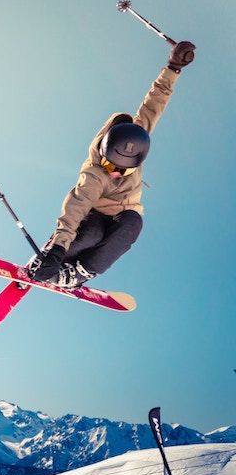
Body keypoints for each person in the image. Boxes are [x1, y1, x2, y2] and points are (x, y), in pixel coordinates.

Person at [29, 40, 196, 289]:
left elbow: (154, 103)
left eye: (123, 170)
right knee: (91, 235)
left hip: (123, 215)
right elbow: (77, 205)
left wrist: (173, 67)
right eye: (111, 165)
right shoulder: (95, 172)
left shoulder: (138, 136)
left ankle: (78, 273)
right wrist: (57, 249)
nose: (116, 172)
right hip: (94, 214)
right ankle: (54, 260)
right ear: (105, 152)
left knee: (132, 225)